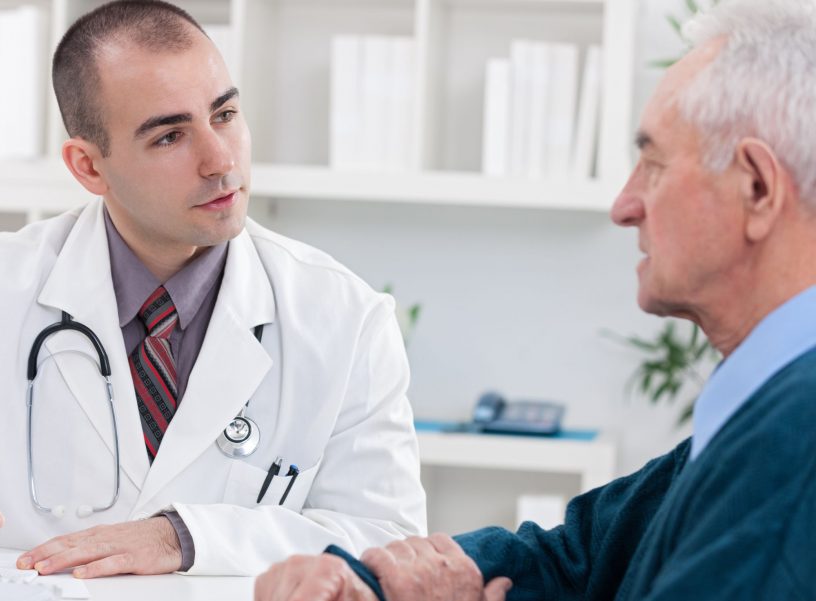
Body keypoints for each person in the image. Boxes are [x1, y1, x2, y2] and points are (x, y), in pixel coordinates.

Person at [0, 0, 426, 578]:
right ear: (88, 166)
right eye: (170, 136)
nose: (220, 160)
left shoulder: (345, 318)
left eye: (225, 114)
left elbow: (391, 544)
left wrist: (188, 537)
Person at [255, 0, 816, 598]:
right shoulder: (761, 409)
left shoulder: (795, 442)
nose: (624, 206)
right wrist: (371, 583)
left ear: (756, 187)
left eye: (652, 163)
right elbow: (577, 555)